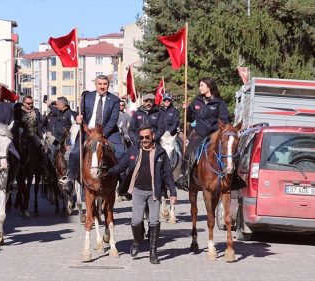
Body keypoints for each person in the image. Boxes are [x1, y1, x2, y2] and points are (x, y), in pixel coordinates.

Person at [108, 124, 177, 264]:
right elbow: (121, 166)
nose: (144, 140)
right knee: (136, 220)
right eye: (141, 137)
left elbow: (168, 174)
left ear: (152, 136)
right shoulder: (134, 150)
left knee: (154, 221)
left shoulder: (161, 152)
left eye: (147, 137)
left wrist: (173, 192)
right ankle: (136, 241)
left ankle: (153, 252)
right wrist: (106, 171)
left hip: (154, 192)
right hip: (138, 191)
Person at [60, 75, 124, 192]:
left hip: (108, 132)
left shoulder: (114, 100)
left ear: (108, 85)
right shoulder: (87, 97)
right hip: (87, 131)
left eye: (105, 84)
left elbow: (113, 120)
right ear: (96, 84)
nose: (102, 86)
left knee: (121, 152)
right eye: (100, 84)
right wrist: (78, 119)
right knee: (75, 153)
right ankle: (70, 178)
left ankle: (122, 181)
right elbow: (81, 113)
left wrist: (100, 134)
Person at [175, 77, 230, 190]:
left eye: (202, 85)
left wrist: (217, 130)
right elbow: (190, 118)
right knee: (188, 152)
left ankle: (230, 176)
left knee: (229, 151)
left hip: (214, 133)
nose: (199, 88)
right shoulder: (197, 101)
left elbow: (224, 120)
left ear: (209, 87)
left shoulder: (220, 102)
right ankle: (184, 176)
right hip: (199, 133)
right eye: (199, 85)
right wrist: (187, 110)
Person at [14, 95, 46, 171]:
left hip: (33, 134)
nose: (30, 105)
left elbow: (39, 123)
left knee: (42, 147)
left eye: (31, 103)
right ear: (23, 103)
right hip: (21, 134)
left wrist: (41, 136)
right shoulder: (18, 111)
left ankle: (43, 166)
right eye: (28, 103)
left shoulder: (36, 111)